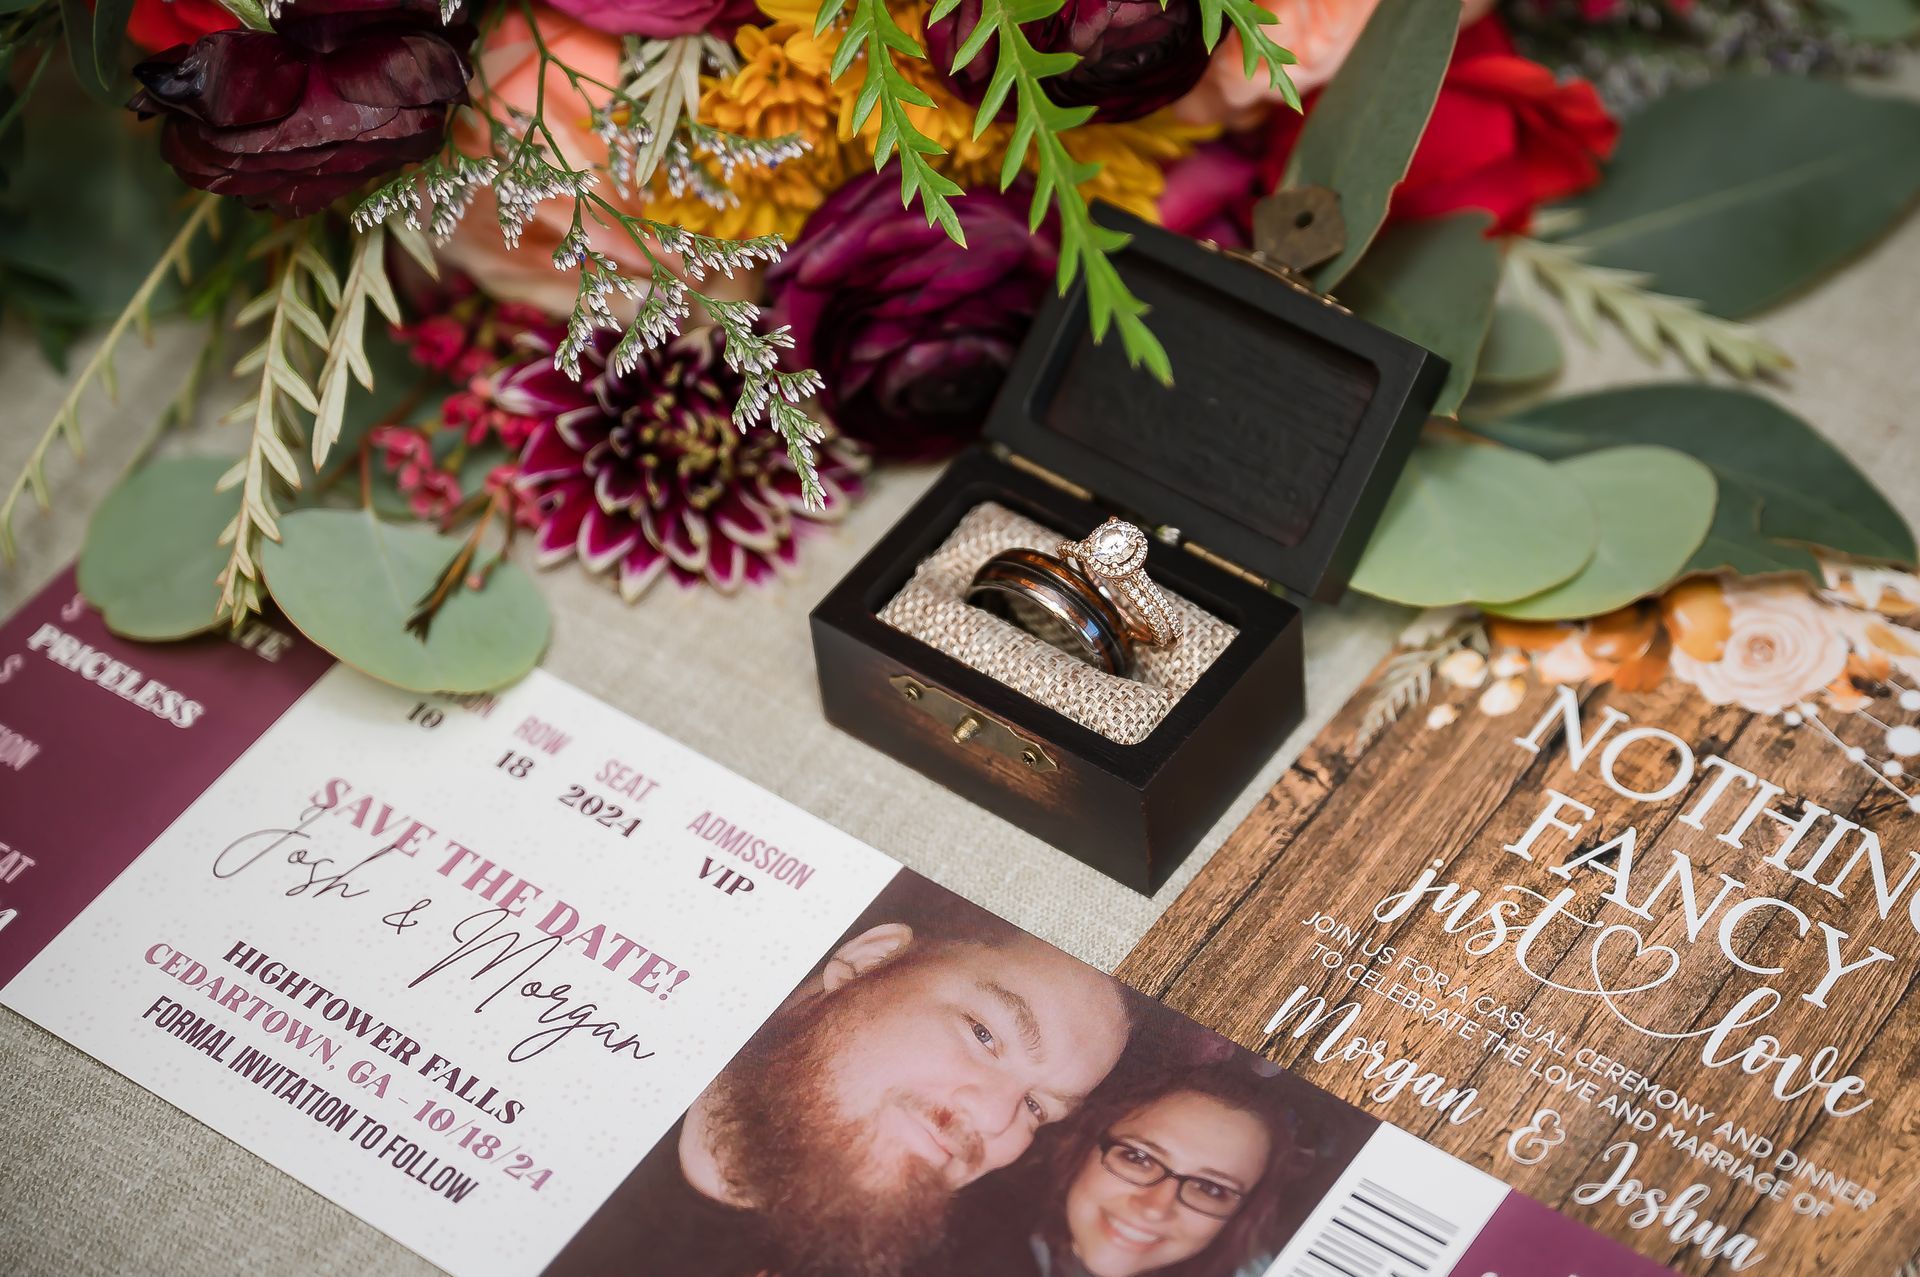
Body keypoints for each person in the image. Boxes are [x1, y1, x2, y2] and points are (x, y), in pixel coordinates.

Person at [543, 914, 1133, 1277]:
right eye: (984, 1035)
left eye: (1039, 1108)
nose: (992, 1116)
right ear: (870, 961)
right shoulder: (557, 1080)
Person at [941, 1061, 1298, 1277]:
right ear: (1083, 1148)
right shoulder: (944, 1235)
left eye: (1211, 1189)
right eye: (1139, 1158)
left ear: (1241, 1214)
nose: (1155, 1207)